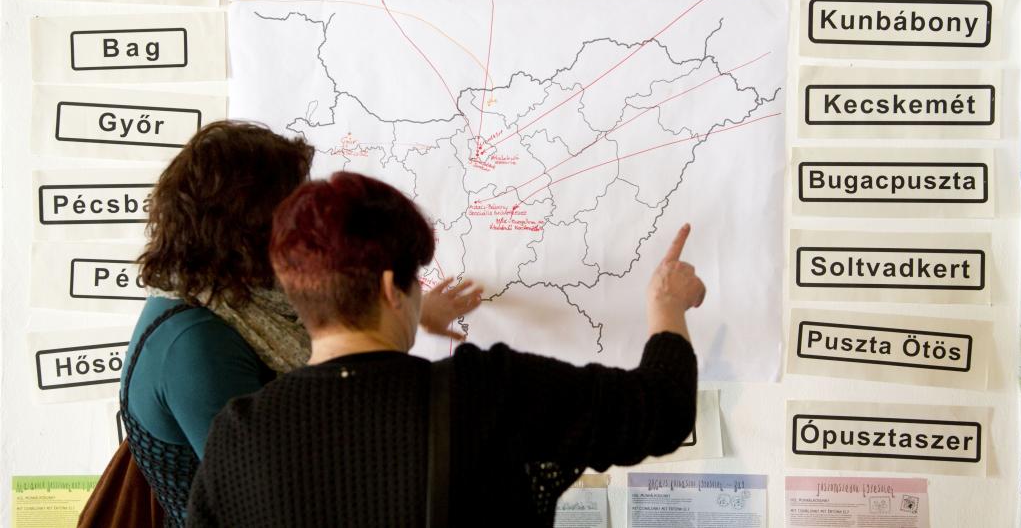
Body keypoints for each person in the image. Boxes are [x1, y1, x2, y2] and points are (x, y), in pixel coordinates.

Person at [187, 171, 703, 528]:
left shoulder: (238, 434)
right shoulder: (486, 392)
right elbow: (662, 410)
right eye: (415, 278)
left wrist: (407, 319)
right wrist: (667, 306)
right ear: (391, 289)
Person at [121, 122, 481, 527]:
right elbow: (277, 496)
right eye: (293, 207)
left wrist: (402, 306)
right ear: (251, 226)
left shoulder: (231, 300)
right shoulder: (195, 345)